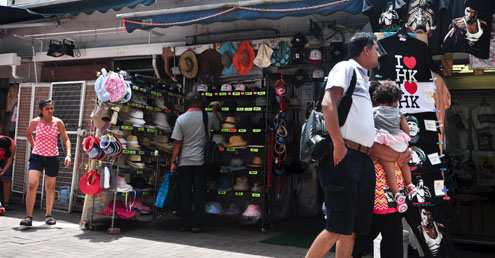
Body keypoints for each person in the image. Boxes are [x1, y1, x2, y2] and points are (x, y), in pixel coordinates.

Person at [306, 32, 411, 258]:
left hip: (362, 159)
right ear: (365, 49)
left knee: (351, 229)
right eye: (375, 49)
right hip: (346, 155)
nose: (377, 55)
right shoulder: (346, 68)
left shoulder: (364, 78)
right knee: (337, 226)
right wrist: (338, 144)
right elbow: (328, 102)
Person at [170, 91, 220, 233]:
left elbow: (177, 143)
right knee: (199, 193)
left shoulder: (181, 119)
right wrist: (214, 111)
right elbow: (218, 127)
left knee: (184, 192)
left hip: (185, 162)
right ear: (200, 103)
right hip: (201, 161)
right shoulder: (208, 116)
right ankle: (197, 224)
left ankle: (184, 223)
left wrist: (173, 162)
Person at [20, 99, 71, 226]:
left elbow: (66, 139)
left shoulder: (58, 122)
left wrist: (68, 154)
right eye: (47, 108)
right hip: (37, 156)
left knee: (50, 187)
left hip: (52, 157)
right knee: (32, 184)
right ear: (41, 110)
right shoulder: (35, 122)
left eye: (52, 108)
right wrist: (35, 146)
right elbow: (28, 133)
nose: (50, 111)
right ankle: (28, 217)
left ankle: (48, 215)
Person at [372, 81, 416, 213]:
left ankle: (397, 195)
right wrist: (406, 142)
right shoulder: (399, 112)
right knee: (404, 164)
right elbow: (406, 129)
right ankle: (409, 185)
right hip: (400, 142)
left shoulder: (373, 112)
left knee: (389, 170)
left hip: (385, 144)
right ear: (396, 100)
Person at [0, 135, 15, 210]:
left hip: (6, 160)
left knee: (6, 179)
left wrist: (2, 173)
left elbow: (9, 162)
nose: (1, 151)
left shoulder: (12, 145)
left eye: (3, 150)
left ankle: (6, 203)